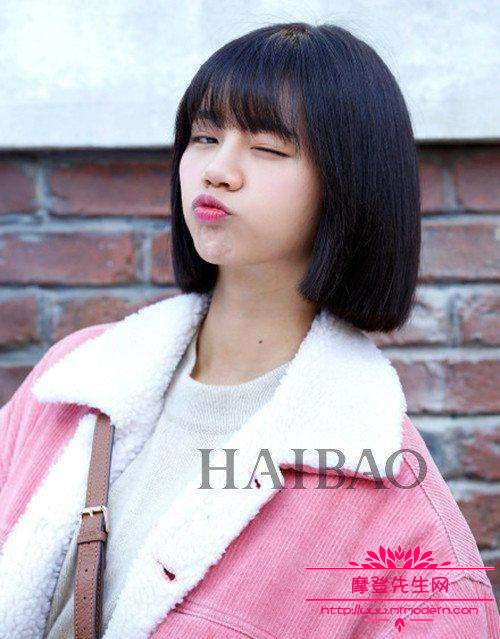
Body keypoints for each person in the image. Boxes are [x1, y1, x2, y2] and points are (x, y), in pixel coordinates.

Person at [0, 21, 498, 639]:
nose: (217, 170)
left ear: (349, 185)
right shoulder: (75, 382)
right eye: (205, 137)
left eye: (267, 148)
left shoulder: (391, 498)